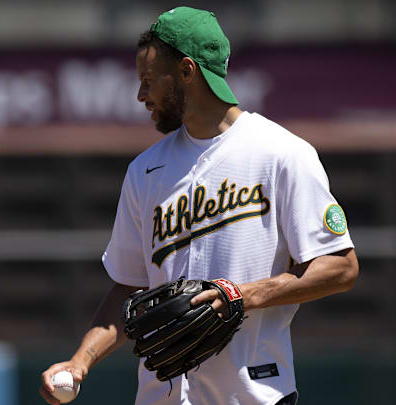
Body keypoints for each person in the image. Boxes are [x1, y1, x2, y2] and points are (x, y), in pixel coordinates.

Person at [40, 6, 358, 405]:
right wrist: (79, 361)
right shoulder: (145, 170)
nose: (140, 95)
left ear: (187, 72)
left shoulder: (281, 153)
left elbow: (340, 266)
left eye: (148, 80)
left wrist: (242, 294)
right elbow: (129, 284)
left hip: (253, 394)